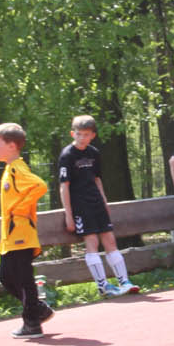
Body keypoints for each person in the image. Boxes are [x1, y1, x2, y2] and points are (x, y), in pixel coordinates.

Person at [56, 117, 139, 296]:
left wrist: (104, 201)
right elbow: (64, 186)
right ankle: (103, 285)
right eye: (78, 134)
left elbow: (97, 179)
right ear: (72, 134)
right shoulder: (67, 155)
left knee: (110, 241)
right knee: (92, 242)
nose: (82, 138)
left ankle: (124, 281)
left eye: (86, 135)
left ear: (93, 135)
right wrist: (69, 215)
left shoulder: (94, 153)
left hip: (97, 204)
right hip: (80, 206)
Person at [0, 123, 53, 338]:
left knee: (23, 277)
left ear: (12, 146)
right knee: (6, 277)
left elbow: (40, 186)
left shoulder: (17, 169)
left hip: (20, 233)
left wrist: (20, 208)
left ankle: (32, 323)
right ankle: (38, 310)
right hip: (10, 235)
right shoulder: (10, 169)